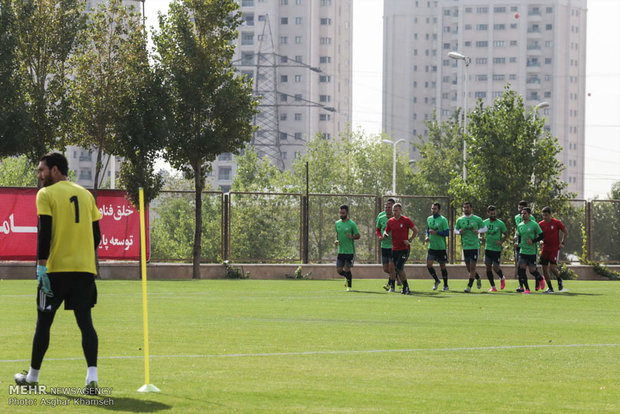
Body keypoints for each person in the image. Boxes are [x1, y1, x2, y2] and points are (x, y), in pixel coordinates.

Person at [15, 152, 102, 393]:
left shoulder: (45, 194)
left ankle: (32, 377)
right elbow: (97, 236)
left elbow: (45, 233)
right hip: (84, 271)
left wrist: (41, 267)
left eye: (42, 170)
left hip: (54, 272)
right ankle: (91, 378)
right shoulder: (86, 195)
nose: (39, 175)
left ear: (55, 170)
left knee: (43, 324)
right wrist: (82, 255)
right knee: (86, 323)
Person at [383, 203, 418, 295]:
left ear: (400, 211)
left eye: (396, 210)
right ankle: (404, 287)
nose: (394, 212)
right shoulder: (390, 221)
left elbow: (415, 230)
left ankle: (406, 287)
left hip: (404, 249)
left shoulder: (406, 220)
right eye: (393, 210)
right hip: (394, 249)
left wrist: (409, 240)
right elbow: (386, 231)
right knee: (396, 269)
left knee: (399, 267)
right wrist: (385, 234)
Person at [455, 202, 487, 293]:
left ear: (471, 208)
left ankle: (469, 286)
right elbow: (455, 230)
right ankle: (477, 277)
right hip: (465, 246)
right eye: (464, 207)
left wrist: (478, 231)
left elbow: (485, 228)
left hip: (474, 246)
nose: (466, 209)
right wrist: (458, 232)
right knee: (469, 268)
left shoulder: (477, 219)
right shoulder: (460, 220)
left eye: (467, 207)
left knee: (472, 267)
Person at [538, 206, 569, 293]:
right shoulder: (540, 224)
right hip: (545, 249)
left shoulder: (556, 222)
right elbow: (539, 236)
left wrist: (562, 243)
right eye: (543, 215)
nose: (545, 217)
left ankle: (559, 279)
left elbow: (566, 231)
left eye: (546, 215)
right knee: (544, 269)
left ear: (550, 215)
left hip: (554, 249)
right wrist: (540, 240)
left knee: (552, 268)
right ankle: (550, 288)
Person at [516, 207, 545, 294]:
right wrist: (518, 244)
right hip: (523, 251)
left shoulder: (534, 224)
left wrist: (533, 241)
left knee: (532, 270)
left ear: (529, 214)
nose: (523, 215)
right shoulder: (520, 225)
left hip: (532, 251)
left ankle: (540, 278)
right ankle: (527, 289)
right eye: (522, 213)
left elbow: (541, 236)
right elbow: (519, 236)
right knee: (522, 269)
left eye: (525, 213)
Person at [425, 202, 450, 291]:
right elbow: (428, 229)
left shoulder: (443, 220)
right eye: (432, 208)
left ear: (439, 210)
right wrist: (427, 236)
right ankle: (436, 280)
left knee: (442, 266)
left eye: (435, 209)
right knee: (428, 265)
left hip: (440, 247)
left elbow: (447, 233)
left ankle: (446, 285)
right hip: (432, 247)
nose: (433, 210)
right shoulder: (429, 218)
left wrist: (436, 233)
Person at [335, 204, 360, 291]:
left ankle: (349, 286)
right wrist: (336, 240)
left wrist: (352, 237)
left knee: (346, 268)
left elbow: (358, 235)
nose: (341, 214)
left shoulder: (352, 224)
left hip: (349, 251)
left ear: (347, 213)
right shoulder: (337, 223)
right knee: (339, 270)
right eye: (340, 213)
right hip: (340, 251)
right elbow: (337, 234)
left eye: (343, 213)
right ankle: (347, 277)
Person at [483, 206, 508, 292]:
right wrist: (479, 236)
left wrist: (501, 241)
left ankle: (502, 277)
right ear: (488, 213)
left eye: (494, 213)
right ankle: (493, 286)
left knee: (496, 267)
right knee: (488, 267)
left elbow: (506, 234)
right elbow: (479, 231)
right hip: (488, 248)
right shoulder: (484, 222)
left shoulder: (500, 223)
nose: (493, 215)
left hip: (496, 249)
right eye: (491, 213)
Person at [377, 198, 398, 291]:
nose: (387, 209)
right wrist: (380, 236)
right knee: (386, 269)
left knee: (391, 266)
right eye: (386, 207)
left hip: (393, 247)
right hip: (384, 246)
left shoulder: (396, 219)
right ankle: (397, 276)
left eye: (389, 207)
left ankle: (392, 286)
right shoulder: (381, 218)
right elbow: (377, 229)